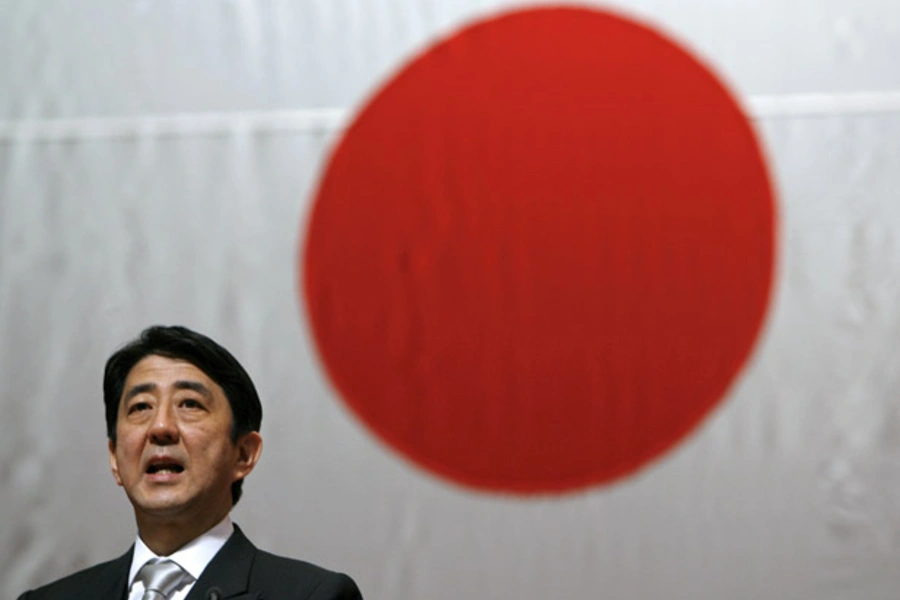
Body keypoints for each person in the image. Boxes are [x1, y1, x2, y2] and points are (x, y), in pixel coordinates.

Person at [17, 325, 363, 600]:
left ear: (243, 453)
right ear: (114, 458)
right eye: (140, 407)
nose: (161, 427)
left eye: (190, 404)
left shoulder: (312, 595)